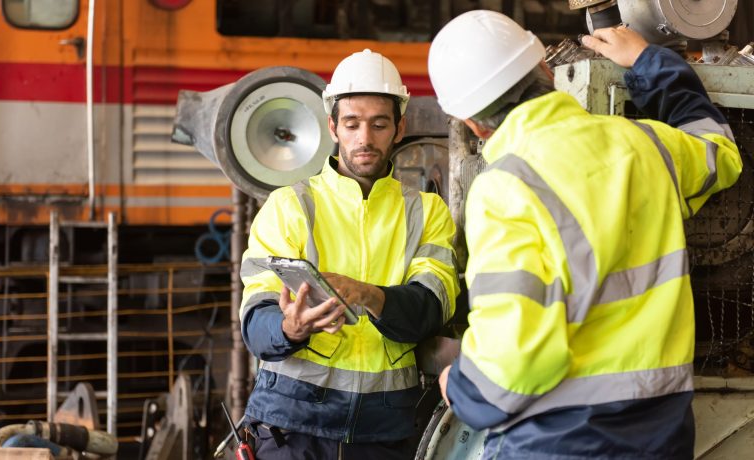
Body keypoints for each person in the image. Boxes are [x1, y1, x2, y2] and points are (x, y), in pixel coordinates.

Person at [427, 10, 742, 460]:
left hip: (559, 444)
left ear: (473, 123)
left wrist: (461, 387)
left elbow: (515, 368)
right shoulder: (646, 146)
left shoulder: (505, 188)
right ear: (545, 70)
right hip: (663, 435)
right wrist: (652, 62)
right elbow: (721, 154)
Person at [238, 49, 460, 460]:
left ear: (399, 128)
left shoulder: (427, 213)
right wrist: (290, 327)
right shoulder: (289, 206)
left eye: (378, 124)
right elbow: (255, 320)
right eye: (352, 124)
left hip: (384, 429)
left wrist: (369, 294)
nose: (364, 138)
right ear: (332, 127)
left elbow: (431, 307)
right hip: (292, 421)